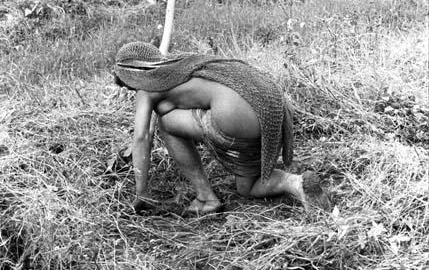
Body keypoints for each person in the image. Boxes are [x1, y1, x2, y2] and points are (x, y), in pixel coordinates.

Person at [114, 42, 330, 216]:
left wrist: (141, 194)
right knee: (249, 187)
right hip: (270, 107)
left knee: (167, 123)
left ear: (131, 77)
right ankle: (298, 184)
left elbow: (142, 138)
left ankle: (206, 197)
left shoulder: (146, 89)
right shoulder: (184, 63)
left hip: (237, 115)